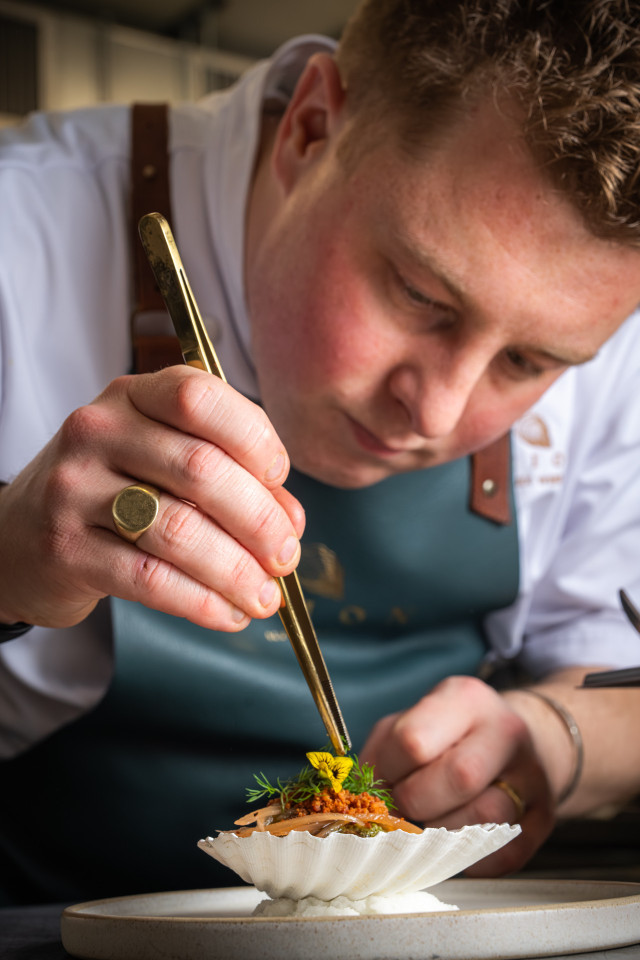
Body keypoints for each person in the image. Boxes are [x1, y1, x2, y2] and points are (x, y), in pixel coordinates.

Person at [1, 0, 640, 907]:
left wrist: (551, 736)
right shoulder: (15, 242)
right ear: (310, 129)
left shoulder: (613, 339)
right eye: (421, 294)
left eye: (530, 363)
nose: (438, 409)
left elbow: (620, 675)